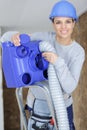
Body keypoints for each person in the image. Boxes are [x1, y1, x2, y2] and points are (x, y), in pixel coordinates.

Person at [1, 0, 85, 130]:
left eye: (68, 21)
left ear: (74, 22)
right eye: (58, 22)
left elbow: (69, 87)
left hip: (62, 107)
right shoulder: (43, 38)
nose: (63, 27)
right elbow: (4, 39)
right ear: (53, 23)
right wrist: (14, 36)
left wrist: (57, 62)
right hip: (37, 106)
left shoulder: (77, 52)